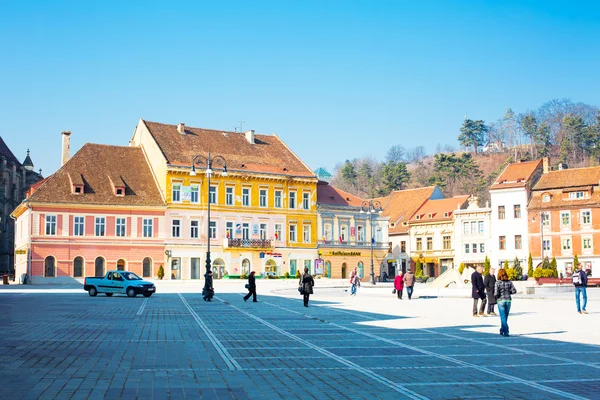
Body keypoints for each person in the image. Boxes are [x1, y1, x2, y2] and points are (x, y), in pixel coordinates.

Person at [495, 268, 517, 336]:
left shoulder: (497, 283)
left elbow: (496, 293)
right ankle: (502, 329)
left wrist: (497, 296)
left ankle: (506, 330)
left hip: (501, 300)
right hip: (508, 300)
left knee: (503, 317)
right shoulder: (509, 282)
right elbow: (514, 291)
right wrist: (508, 292)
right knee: (505, 317)